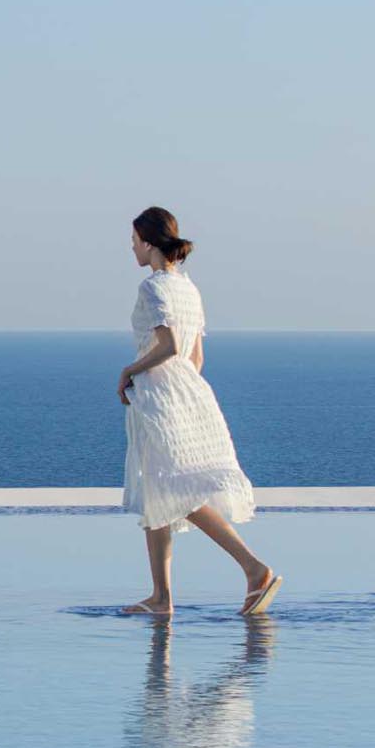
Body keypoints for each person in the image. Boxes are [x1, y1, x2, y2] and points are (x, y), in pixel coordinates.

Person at [118, 206, 280, 620]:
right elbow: (195, 356)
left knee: (179, 493)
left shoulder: (152, 288)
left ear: (150, 242)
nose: (132, 246)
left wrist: (130, 371)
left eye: (135, 239)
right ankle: (160, 597)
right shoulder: (189, 290)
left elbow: (169, 346)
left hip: (160, 399)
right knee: (159, 493)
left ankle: (254, 567)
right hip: (187, 392)